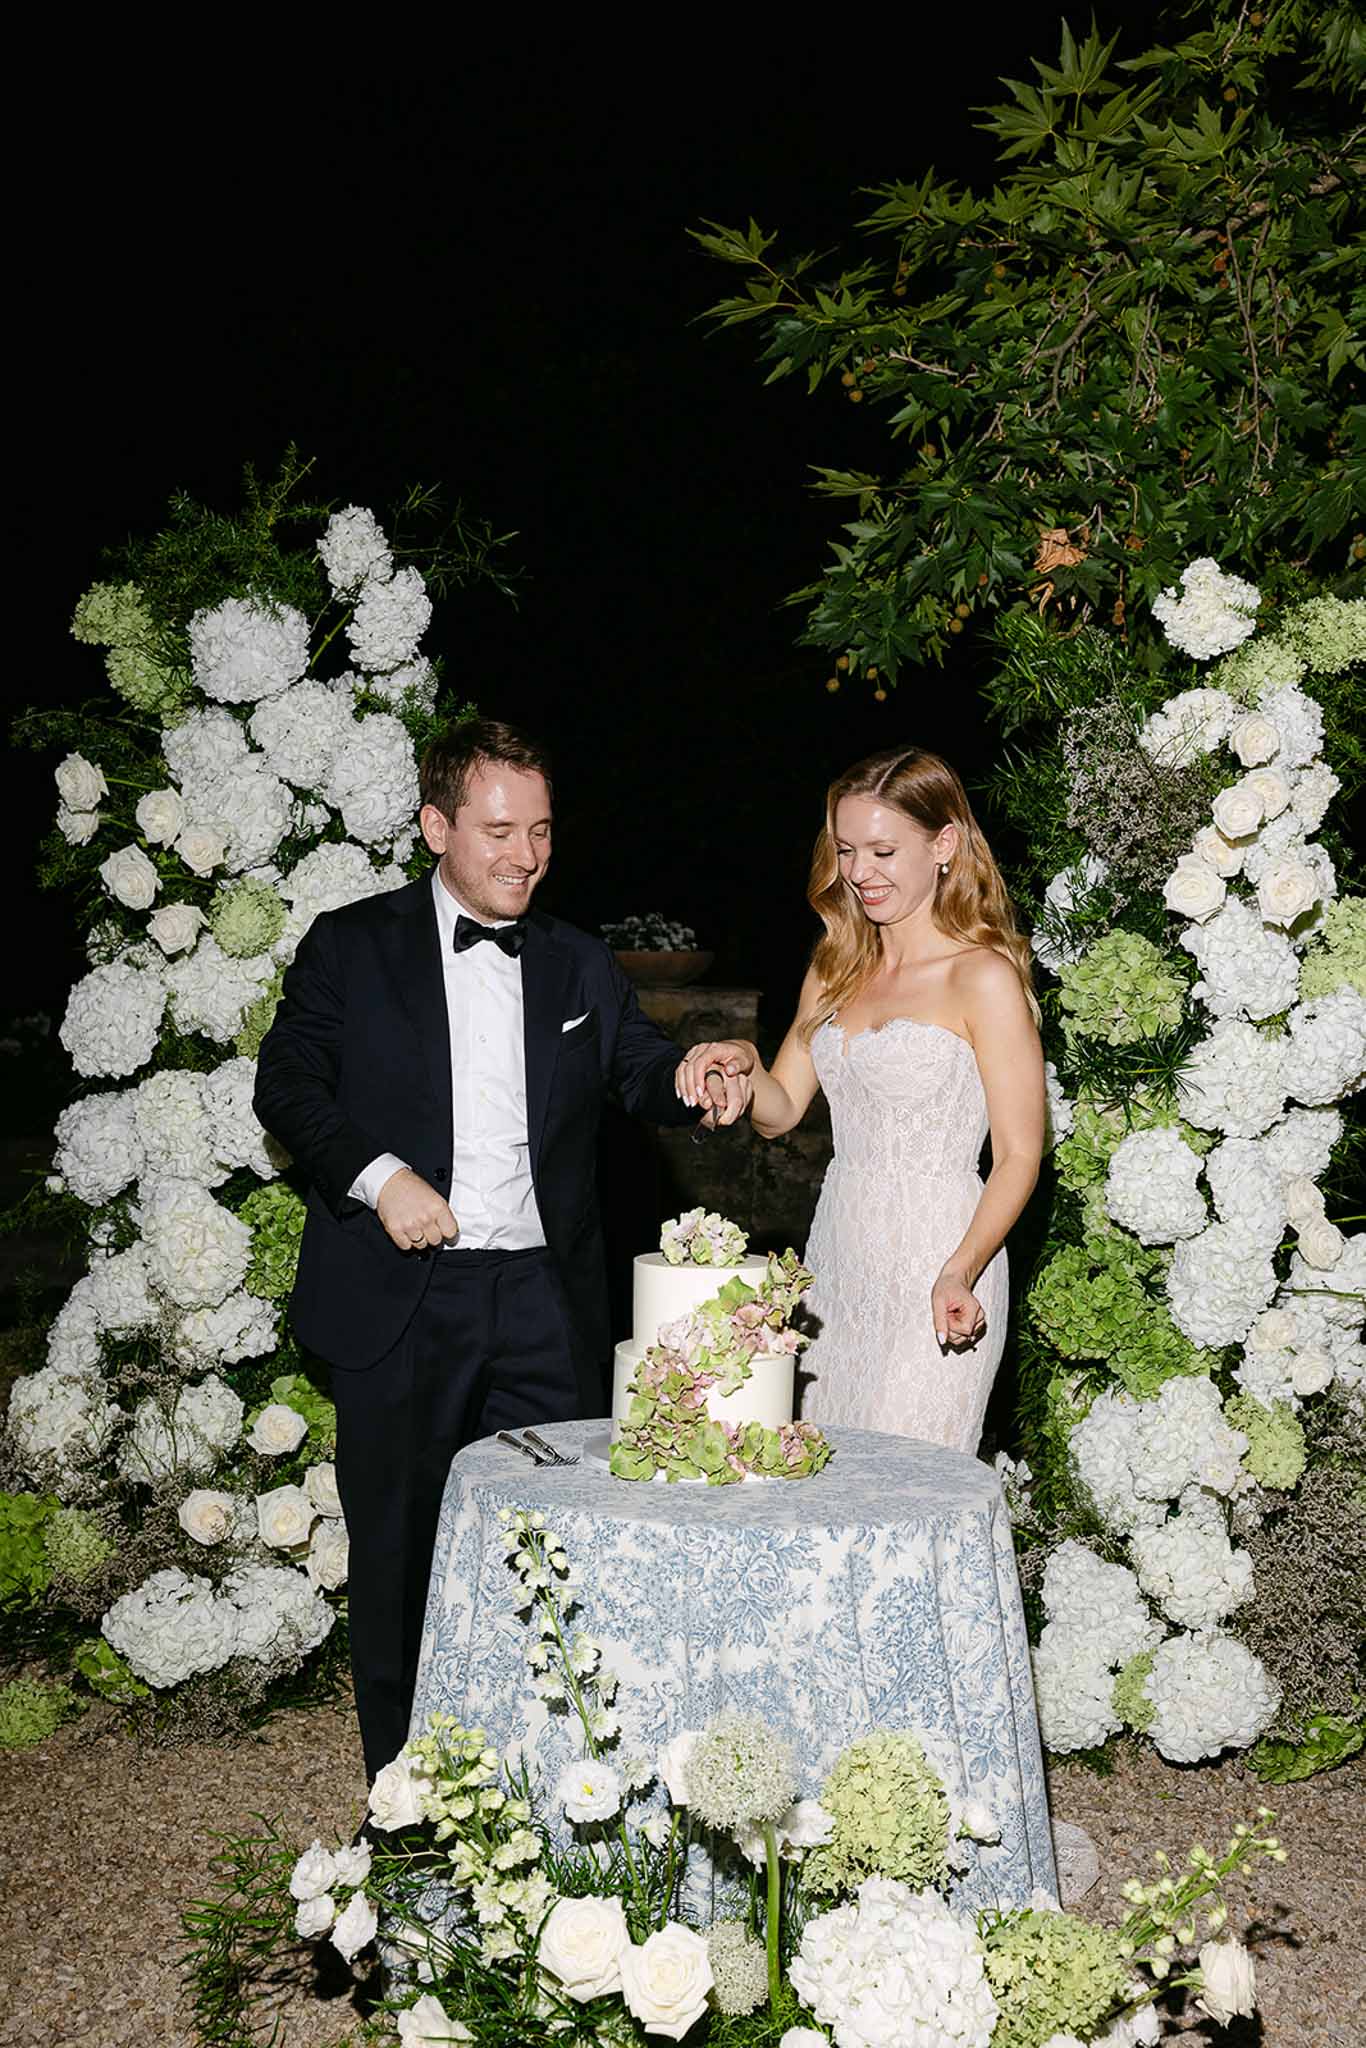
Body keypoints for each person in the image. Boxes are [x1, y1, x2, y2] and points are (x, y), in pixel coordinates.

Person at [254, 719, 744, 1777]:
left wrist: (690, 1072)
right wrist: (381, 1179)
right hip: (401, 1301)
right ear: (436, 826)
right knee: (398, 1560)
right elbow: (286, 1084)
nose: (524, 854)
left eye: (542, 831)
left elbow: (639, 1065)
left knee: (556, 1554)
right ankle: (403, 1807)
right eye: (498, 830)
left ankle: (549, 1793)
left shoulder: (574, 961)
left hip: (541, 1305)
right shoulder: (349, 944)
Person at [676, 746, 1043, 1454]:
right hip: (840, 1255)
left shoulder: (983, 976)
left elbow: (1020, 1155)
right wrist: (743, 1067)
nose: (859, 873)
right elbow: (781, 1110)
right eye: (846, 850)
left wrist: (960, 1268)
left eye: (883, 850)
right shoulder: (835, 963)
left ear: (944, 845)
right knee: (825, 1476)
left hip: (944, 1260)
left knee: (907, 1485)